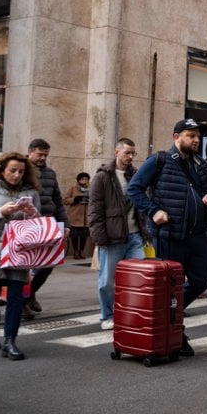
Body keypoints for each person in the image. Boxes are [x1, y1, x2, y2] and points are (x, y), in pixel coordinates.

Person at [127, 118, 207, 357]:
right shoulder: (159, 161)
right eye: (190, 135)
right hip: (170, 236)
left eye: (197, 136)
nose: (196, 140)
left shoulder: (201, 165)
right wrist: (153, 211)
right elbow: (134, 189)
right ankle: (173, 332)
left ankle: (171, 319)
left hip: (198, 235)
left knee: (201, 280)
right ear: (176, 137)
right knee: (170, 288)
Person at [88, 138, 148, 331]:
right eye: (126, 152)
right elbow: (95, 209)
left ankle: (130, 312)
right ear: (116, 152)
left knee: (139, 277)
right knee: (107, 281)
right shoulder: (103, 177)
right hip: (112, 237)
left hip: (135, 236)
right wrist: (100, 238)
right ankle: (107, 315)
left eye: (133, 153)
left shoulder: (136, 175)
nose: (130, 157)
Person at [0, 153, 42, 359]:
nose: (17, 175)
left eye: (21, 171)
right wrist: (0, 212)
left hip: (19, 253)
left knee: (16, 298)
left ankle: (10, 341)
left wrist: (33, 214)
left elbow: (38, 225)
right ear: (2, 169)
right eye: (12, 170)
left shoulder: (31, 192)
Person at [25, 138, 69, 318]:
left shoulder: (50, 173)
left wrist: (65, 224)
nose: (43, 158)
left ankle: (30, 293)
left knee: (50, 262)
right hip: (28, 224)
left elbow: (57, 200)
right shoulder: (21, 170)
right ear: (30, 152)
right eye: (39, 154)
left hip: (49, 224)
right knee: (25, 266)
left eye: (45, 155)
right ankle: (23, 302)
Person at [64, 172, 91, 259]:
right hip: (75, 215)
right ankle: (75, 251)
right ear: (78, 180)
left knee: (84, 235)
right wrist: (74, 199)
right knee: (75, 235)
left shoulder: (90, 189)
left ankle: (81, 251)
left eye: (86, 179)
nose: (84, 181)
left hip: (86, 216)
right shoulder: (73, 189)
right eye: (82, 179)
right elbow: (65, 200)